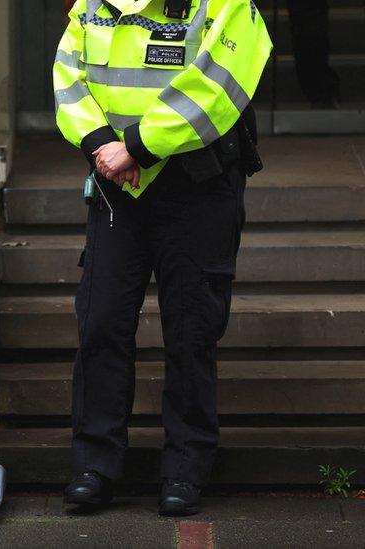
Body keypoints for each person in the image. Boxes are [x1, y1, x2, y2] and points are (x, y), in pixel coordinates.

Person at [53, 0, 271, 516]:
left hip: (198, 182)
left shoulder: (228, 5)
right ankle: (94, 467)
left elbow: (218, 86)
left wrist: (137, 146)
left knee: (191, 330)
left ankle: (186, 470)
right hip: (116, 182)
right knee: (101, 322)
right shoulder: (93, 5)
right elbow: (69, 77)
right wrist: (102, 143)